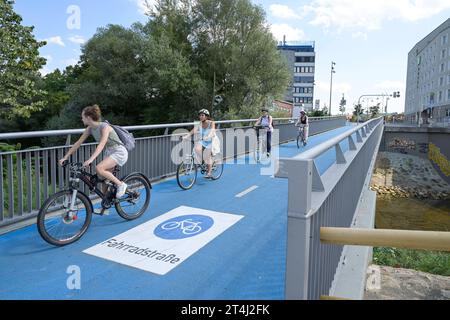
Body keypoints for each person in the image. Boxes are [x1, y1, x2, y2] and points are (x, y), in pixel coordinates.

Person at [58, 104, 129, 198]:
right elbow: (78, 143)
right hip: (109, 152)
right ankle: (106, 203)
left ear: (88, 117)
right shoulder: (90, 128)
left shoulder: (105, 127)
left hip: (119, 151)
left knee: (99, 168)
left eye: (82, 117)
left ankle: (121, 185)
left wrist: (91, 159)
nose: (81, 119)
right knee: (104, 181)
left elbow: (102, 144)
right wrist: (65, 157)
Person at [183, 109, 216, 179]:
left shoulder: (211, 122)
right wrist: (187, 136)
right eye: (200, 115)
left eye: (202, 115)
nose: (200, 117)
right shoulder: (200, 123)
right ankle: (204, 162)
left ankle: (209, 173)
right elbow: (194, 130)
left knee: (207, 156)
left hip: (210, 140)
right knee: (196, 149)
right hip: (203, 140)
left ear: (206, 116)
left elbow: (212, 130)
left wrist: (208, 136)